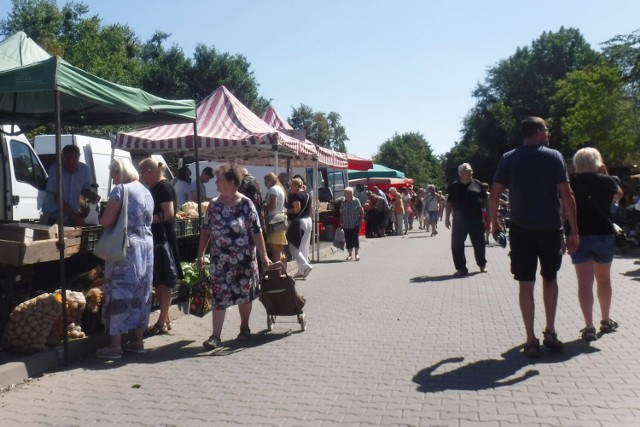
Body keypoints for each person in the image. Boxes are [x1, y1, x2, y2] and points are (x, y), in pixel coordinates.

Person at [489, 116, 579, 358]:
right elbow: (567, 195)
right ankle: (550, 330)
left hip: (520, 230)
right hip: (550, 228)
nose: (548, 133)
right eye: (546, 130)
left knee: (525, 283)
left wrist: (494, 224)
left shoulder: (509, 158)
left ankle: (530, 339)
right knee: (550, 279)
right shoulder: (554, 156)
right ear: (538, 132)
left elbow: (494, 193)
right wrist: (574, 231)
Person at [197, 162, 272, 348]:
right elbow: (206, 231)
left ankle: (244, 328)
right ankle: (215, 336)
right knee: (219, 297)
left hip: (244, 260)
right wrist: (200, 255)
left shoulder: (246, 204)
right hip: (220, 261)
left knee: (244, 295)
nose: (216, 183)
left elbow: (256, 232)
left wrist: (264, 256)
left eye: (219, 180)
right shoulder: (213, 205)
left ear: (231, 181)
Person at [96, 159, 154, 359]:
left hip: (126, 250)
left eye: (113, 174)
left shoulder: (120, 190)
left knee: (119, 294)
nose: (112, 179)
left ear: (119, 173)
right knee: (140, 294)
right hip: (146, 248)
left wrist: (99, 216)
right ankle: (138, 341)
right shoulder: (146, 191)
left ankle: (115, 346)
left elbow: (107, 221)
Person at [569, 148, 623, 341]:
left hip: (579, 235)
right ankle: (606, 320)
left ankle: (589, 326)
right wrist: (605, 172)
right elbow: (618, 195)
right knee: (604, 280)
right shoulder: (607, 181)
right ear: (597, 162)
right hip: (604, 235)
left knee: (584, 284)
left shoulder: (571, 183)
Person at [140, 158, 183, 337]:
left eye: (143, 174)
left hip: (163, 239)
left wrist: (147, 220)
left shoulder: (163, 187)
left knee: (163, 283)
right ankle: (164, 319)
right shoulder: (159, 187)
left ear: (150, 171)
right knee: (160, 282)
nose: (142, 178)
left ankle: (161, 321)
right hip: (160, 239)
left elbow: (169, 213)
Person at [444, 163, 487, 276]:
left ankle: (482, 264)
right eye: (468, 170)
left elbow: (485, 200)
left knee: (479, 243)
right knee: (456, 244)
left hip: (476, 219)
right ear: (461, 173)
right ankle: (461, 268)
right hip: (459, 220)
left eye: (471, 170)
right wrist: (447, 218)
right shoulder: (454, 186)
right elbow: (449, 203)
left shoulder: (477, 183)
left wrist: (489, 217)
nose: (471, 172)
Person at [41, 144, 100, 226]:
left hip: (71, 218)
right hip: (53, 218)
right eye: (68, 162)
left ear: (79, 157)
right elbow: (58, 198)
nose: (71, 165)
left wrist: (91, 195)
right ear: (62, 157)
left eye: (74, 162)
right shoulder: (55, 169)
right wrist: (75, 217)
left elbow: (84, 190)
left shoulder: (84, 169)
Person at [286, 177, 313, 278]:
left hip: (300, 221)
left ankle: (305, 266)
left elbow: (296, 210)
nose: (290, 188)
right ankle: (301, 271)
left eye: (292, 186)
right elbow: (310, 210)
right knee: (304, 247)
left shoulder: (296, 195)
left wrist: (286, 210)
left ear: (296, 186)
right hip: (308, 220)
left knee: (293, 247)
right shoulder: (307, 194)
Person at [264, 172, 288, 264]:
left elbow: (273, 205)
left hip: (274, 221)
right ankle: (284, 270)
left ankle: (278, 273)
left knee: (275, 251)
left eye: (266, 182)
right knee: (281, 249)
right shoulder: (281, 188)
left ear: (270, 181)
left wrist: (264, 206)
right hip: (281, 220)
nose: (265, 185)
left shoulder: (273, 190)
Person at [340, 187, 364, 261]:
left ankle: (356, 254)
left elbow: (361, 210)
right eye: (345, 194)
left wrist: (361, 220)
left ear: (351, 194)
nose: (345, 195)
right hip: (346, 224)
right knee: (348, 239)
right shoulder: (343, 202)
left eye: (346, 194)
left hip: (355, 223)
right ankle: (350, 254)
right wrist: (341, 222)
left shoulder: (356, 200)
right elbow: (341, 213)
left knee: (355, 238)